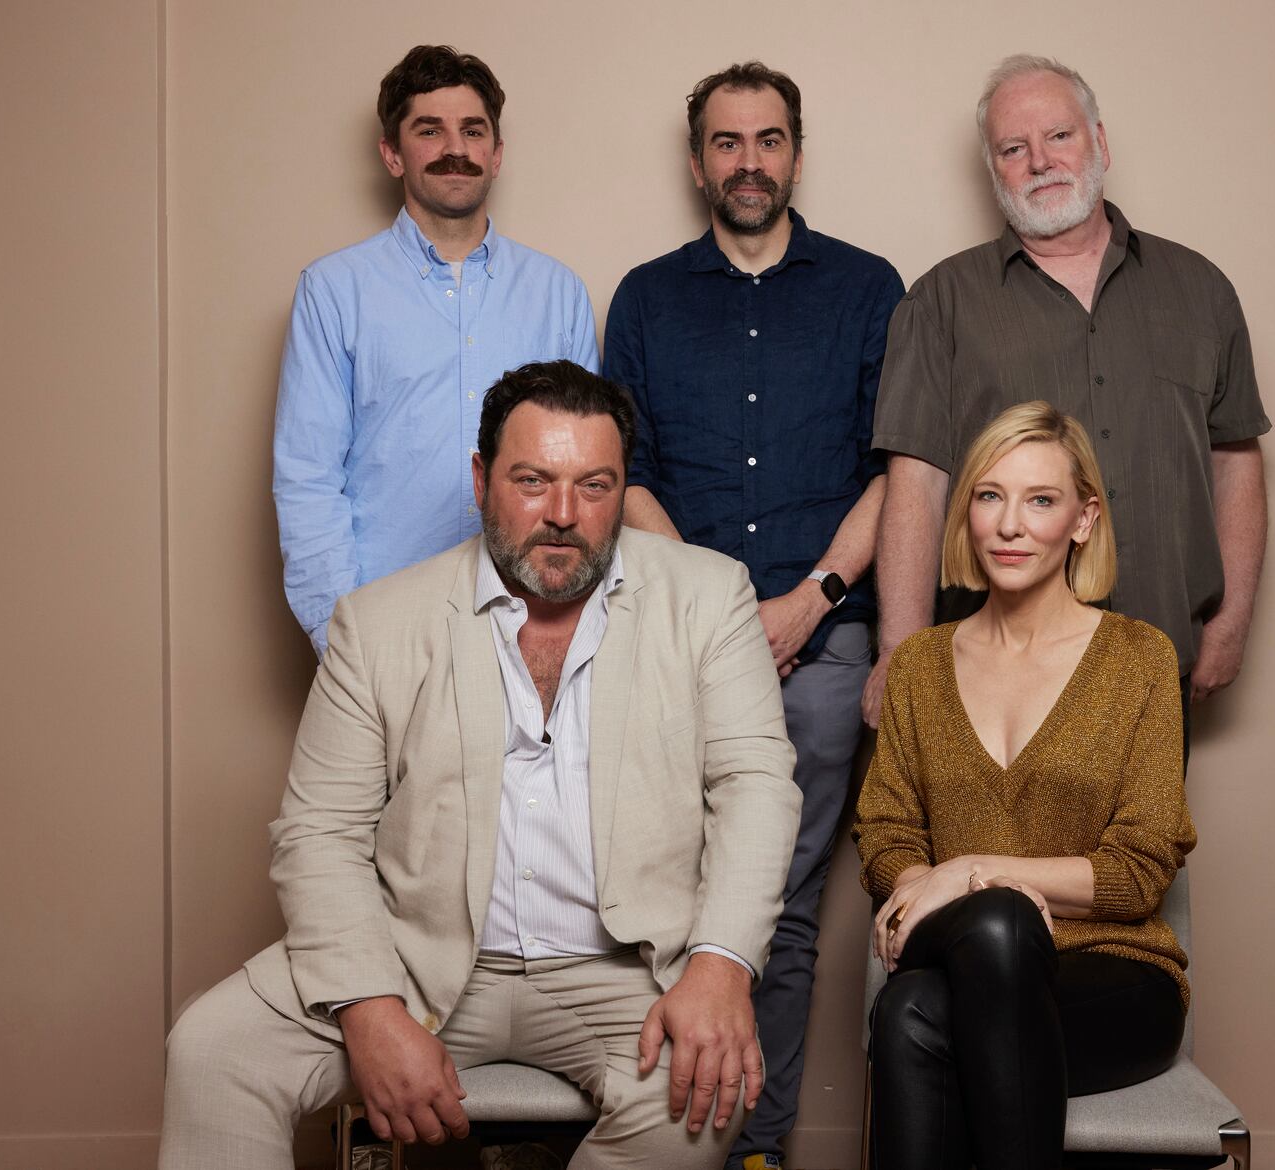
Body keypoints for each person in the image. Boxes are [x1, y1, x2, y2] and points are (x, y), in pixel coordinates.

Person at [162, 362, 801, 1170]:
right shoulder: (378, 622)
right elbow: (319, 832)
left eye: (594, 485)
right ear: (480, 479)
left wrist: (720, 964)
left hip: (621, 969)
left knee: (705, 1095)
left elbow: (757, 791)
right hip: (413, 954)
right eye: (532, 480)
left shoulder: (710, 597)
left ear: (622, 488)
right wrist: (369, 1004)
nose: (563, 515)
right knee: (213, 1052)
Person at [601, 61, 904, 1170]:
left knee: (774, 909)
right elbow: (624, 475)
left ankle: (753, 1148)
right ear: (697, 163)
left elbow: (898, 469)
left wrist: (812, 598)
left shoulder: (870, 289)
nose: (748, 162)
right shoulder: (645, 297)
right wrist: (722, 621)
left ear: (795, 154)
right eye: (726, 143)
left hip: (823, 647)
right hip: (671, 649)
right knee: (653, 902)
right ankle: (660, 1140)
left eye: (767, 140)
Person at [865, 54, 1270, 737]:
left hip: (1155, 661)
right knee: (983, 851)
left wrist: (1229, 627)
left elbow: (1236, 465)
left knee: (1137, 849)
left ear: (1100, 143)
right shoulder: (939, 303)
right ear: (994, 171)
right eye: (1013, 148)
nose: (1040, 162)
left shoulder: (1201, 290)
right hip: (987, 673)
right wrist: (900, 658)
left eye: (1059, 136)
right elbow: (916, 486)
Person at [854, 402, 1195, 1170]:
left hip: (1113, 980)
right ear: (967, 513)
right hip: (959, 957)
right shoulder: (918, 666)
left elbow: (1139, 871)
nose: (1010, 524)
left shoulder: (1139, 659)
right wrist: (934, 886)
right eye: (989, 495)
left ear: (1083, 518)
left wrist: (969, 877)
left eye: (1040, 500)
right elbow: (886, 835)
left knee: (914, 1006)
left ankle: (996, 919)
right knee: (994, 930)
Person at [274, 45, 598, 657]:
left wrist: (562, 626)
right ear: (392, 153)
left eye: (472, 131)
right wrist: (340, 639)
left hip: (529, 625)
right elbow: (307, 479)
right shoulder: (333, 291)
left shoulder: (558, 293)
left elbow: (582, 479)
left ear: (496, 154)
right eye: (430, 130)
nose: (456, 148)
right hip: (383, 626)